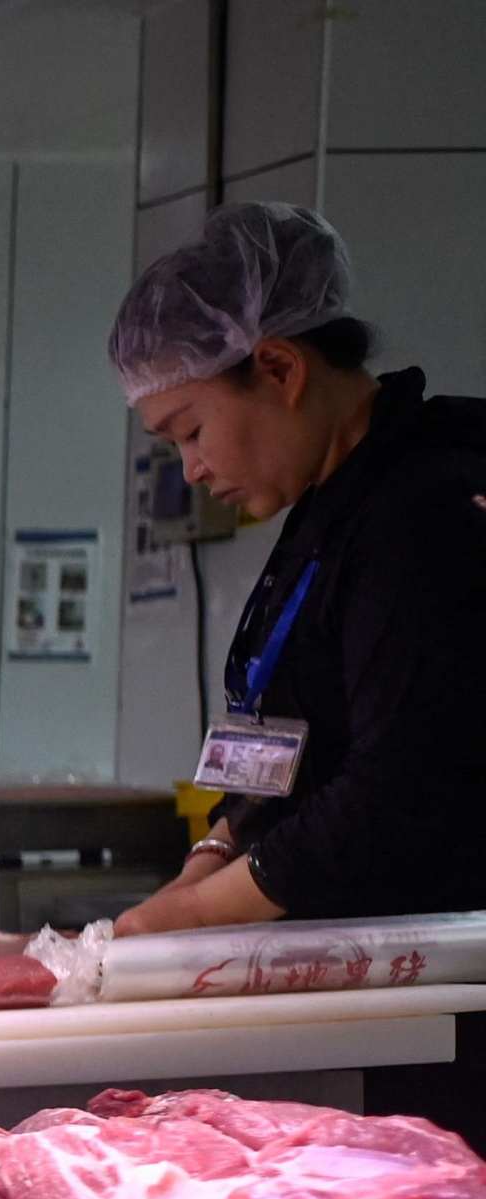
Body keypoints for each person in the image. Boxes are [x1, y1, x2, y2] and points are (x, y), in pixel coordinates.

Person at [107, 204, 486, 939]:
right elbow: (289, 742)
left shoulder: (422, 512)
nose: (191, 469)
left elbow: (396, 790)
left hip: (442, 992)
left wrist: (192, 914)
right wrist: (218, 845)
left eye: (191, 430)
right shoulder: (330, 508)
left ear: (279, 368)